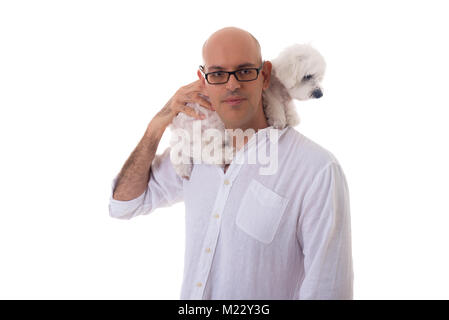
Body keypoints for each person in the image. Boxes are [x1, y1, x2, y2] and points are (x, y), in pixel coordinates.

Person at [109, 26, 354, 299]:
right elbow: (123, 204)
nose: (232, 84)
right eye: (217, 74)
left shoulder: (316, 170)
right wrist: (158, 124)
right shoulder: (195, 150)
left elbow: (328, 288)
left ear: (265, 76)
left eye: (245, 71)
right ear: (203, 80)